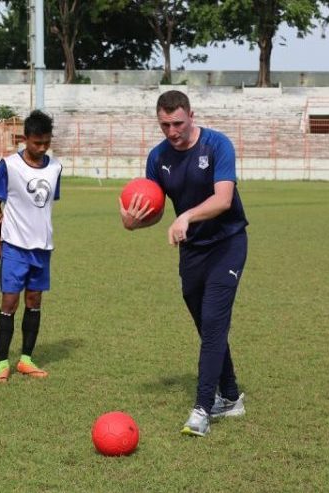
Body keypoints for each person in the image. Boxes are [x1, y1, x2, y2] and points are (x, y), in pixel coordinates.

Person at [119, 90, 248, 437]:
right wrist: (133, 222)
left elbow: (222, 200)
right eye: (165, 125)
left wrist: (187, 216)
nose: (172, 131)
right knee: (207, 327)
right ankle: (232, 396)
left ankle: (203, 409)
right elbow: (155, 213)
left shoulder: (218, 145)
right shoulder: (157, 157)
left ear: (191, 115)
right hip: (192, 250)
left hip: (228, 243)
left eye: (177, 123)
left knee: (214, 322)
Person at [0, 110, 62, 383]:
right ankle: (2, 363)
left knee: (34, 301)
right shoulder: (9, 166)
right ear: (25, 138)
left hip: (42, 247)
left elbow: (44, 205)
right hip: (15, 246)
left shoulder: (55, 168)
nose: (41, 148)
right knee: (9, 302)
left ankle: (26, 360)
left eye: (46, 143)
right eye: (36, 143)